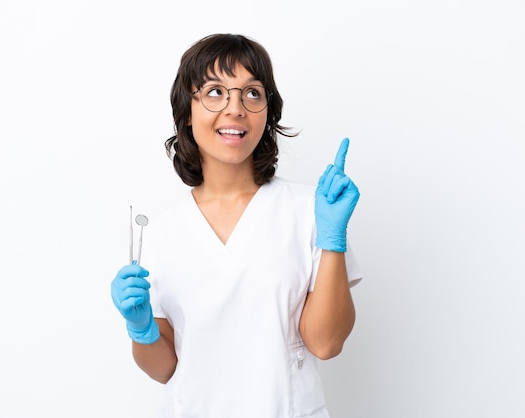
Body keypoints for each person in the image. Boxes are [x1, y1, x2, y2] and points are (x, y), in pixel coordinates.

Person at [111, 33, 362, 418]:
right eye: (214, 92)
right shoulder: (161, 233)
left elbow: (325, 343)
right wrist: (141, 328)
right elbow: (163, 368)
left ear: (268, 112)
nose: (236, 108)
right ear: (187, 110)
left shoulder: (311, 211)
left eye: (252, 93)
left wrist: (333, 240)